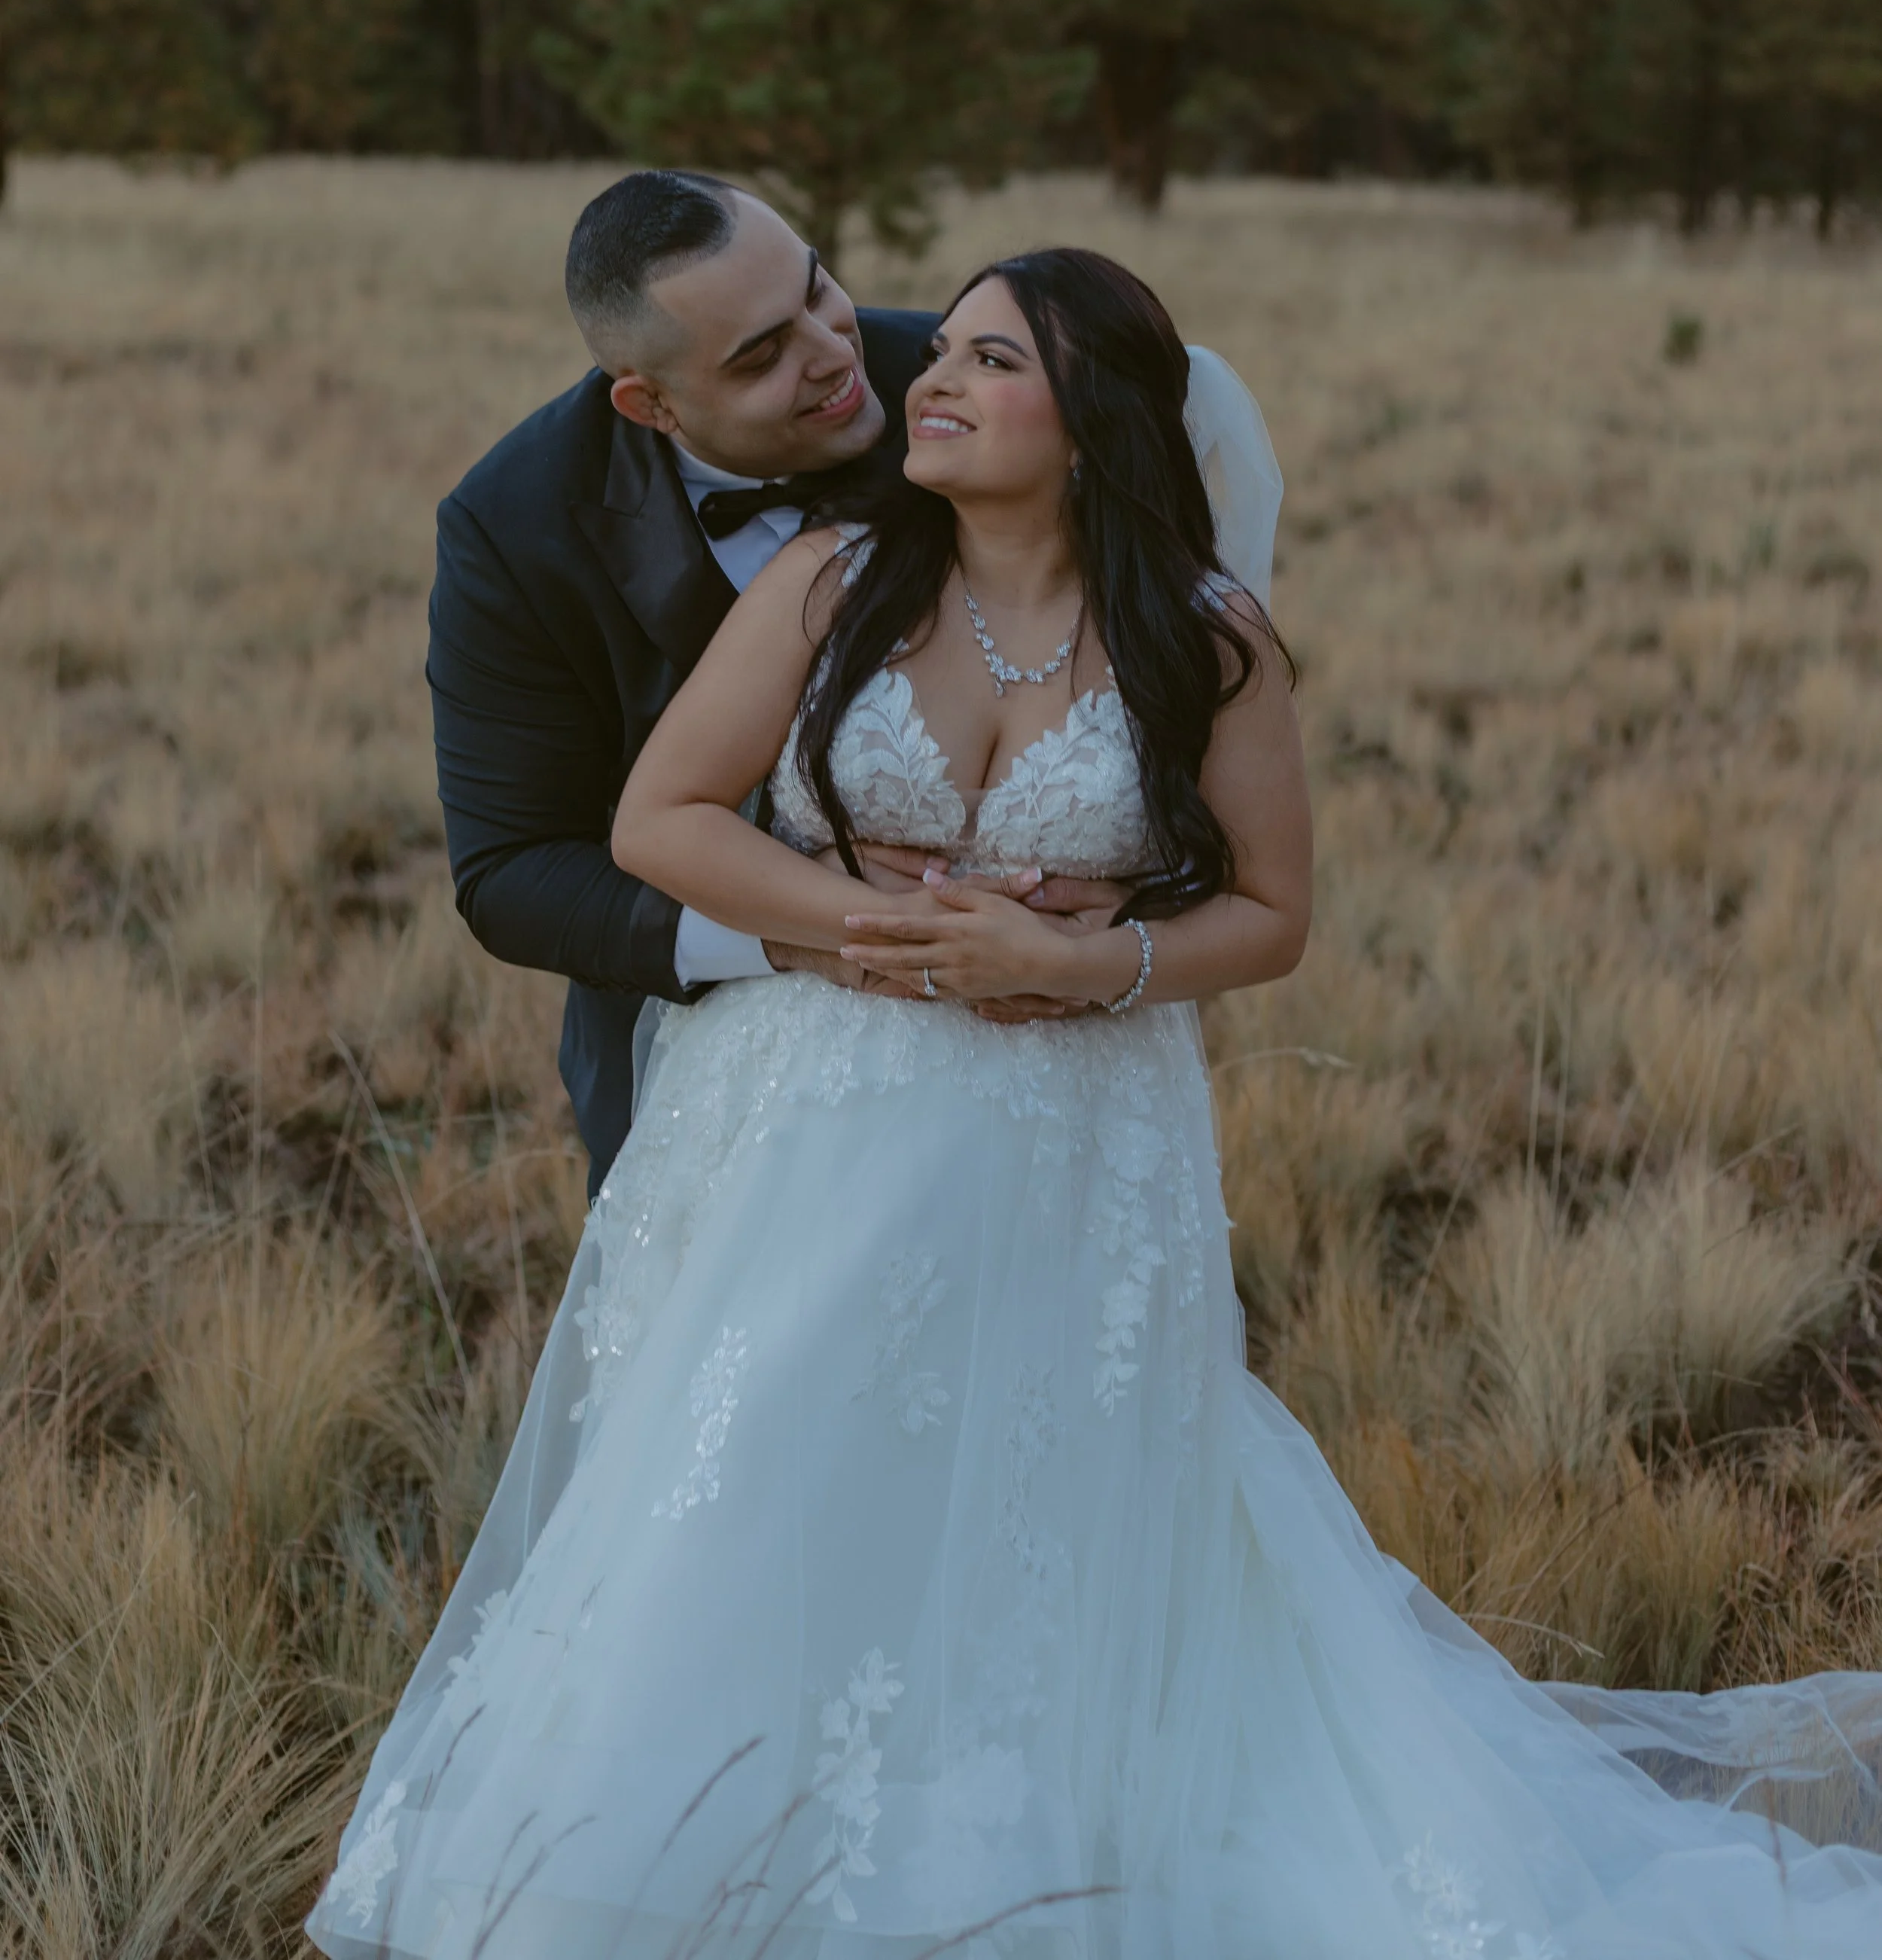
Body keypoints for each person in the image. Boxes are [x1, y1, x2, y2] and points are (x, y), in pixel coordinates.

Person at [314, 250, 1882, 1959]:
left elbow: (1269, 917)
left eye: (987, 360)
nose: (921, 376)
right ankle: (663, 1862)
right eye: (946, 351)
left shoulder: (1204, 641)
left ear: (1094, 425)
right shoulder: (836, 577)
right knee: (761, 1474)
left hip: (1068, 1140)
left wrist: (1088, 970)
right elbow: (654, 820)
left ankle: (1021, 1852)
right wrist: (862, 922)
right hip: (807, 1118)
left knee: (1036, 1511)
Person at [426, 169, 1110, 1199]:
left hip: (1041, 1050)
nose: (834, 354)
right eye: (762, 355)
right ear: (648, 402)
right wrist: (805, 937)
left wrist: (1111, 901)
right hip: (709, 1055)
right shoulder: (516, 524)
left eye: (817, 287)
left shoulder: (975, 390)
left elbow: (1153, 689)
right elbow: (512, 873)